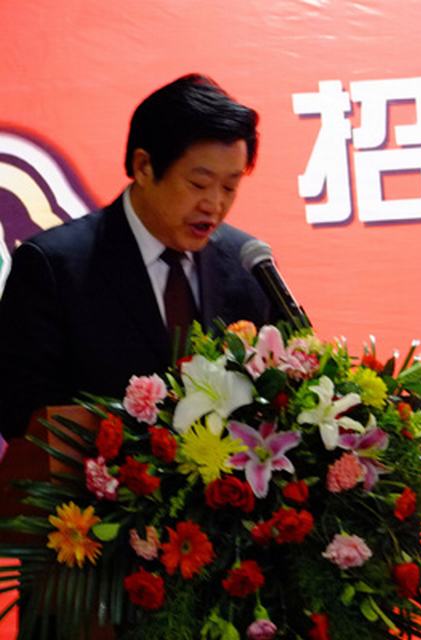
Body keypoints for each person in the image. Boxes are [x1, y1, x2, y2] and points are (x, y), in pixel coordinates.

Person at [0, 73, 273, 442]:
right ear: (144, 166)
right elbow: (23, 417)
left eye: (230, 186)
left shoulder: (245, 265)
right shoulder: (54, 268)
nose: (214, 204)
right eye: (198, 184)